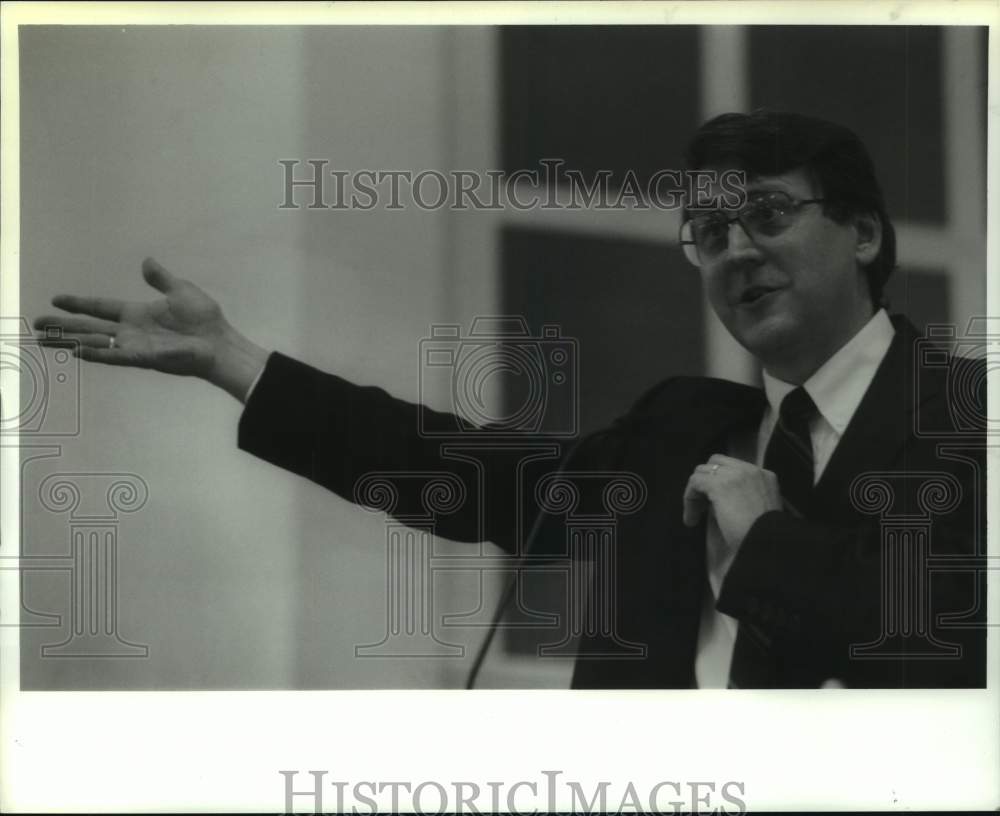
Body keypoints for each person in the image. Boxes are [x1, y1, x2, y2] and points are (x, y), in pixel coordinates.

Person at [34, 110, 986, 689]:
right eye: (708, 229)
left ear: (863, 232)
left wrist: (768, 545)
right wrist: (235, 361)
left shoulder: (970, 420)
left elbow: (945, 668)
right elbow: (463, 473)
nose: (736, 249)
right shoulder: (683, 428)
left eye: (769, 214)